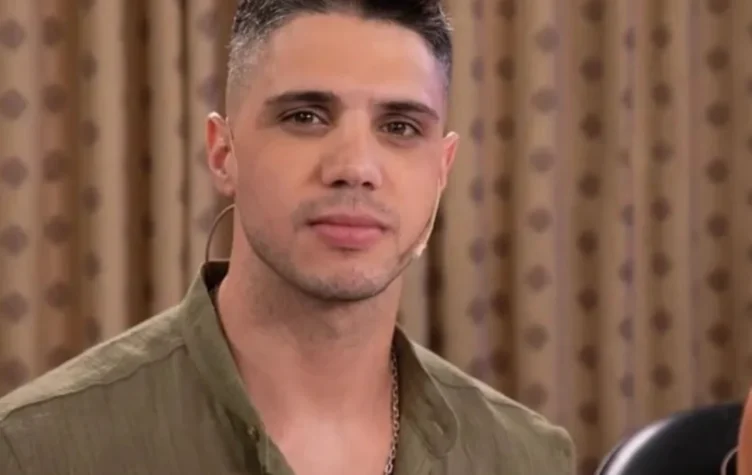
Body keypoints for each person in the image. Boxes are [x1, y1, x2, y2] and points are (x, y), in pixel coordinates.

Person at [0, 1, 575, 473]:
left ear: (442, 170)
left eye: (400, 127)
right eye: (306, 117)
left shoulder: (526, 458)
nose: (355, 167)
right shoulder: (37, 450)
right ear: (223, 153)